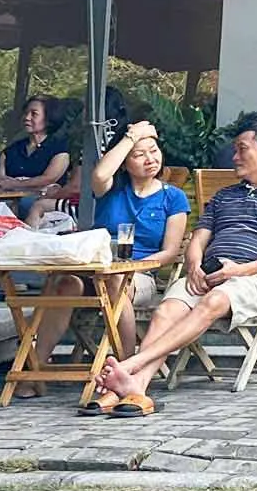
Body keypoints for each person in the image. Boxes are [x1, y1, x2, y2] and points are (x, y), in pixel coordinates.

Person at [91, 115, 257, 416]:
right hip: (206, 275)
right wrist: (194, 265)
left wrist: (240, 270)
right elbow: (198, 239)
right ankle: (137, 385)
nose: (234, 157)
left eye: (241, 149)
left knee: (214, 300)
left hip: (253, 279)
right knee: (166, 310)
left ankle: (130, 366)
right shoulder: (224, 196)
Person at [19, 121, 192, 399]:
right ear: (124, 162)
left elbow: (170, 252)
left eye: (154, 151)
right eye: (139, 154)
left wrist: (132, 267)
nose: (150, 159)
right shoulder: (111, 189)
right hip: (94, 267)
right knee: (64, 284)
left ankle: (127, 369)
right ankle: (34, 370)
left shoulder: (173, 197)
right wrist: (131, 137)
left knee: (115, 282)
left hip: (139, 275)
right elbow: (99, 173)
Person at [0, 97, 71, 223]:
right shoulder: (10, 151)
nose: (27, 117)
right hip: (8, 205)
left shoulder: (59, 149)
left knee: (25, 204)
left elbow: (49, 178)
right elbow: (0, 182)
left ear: (48, 119)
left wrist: (15, 184)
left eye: (34, 114)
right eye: (26, 113)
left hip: (44, 211)